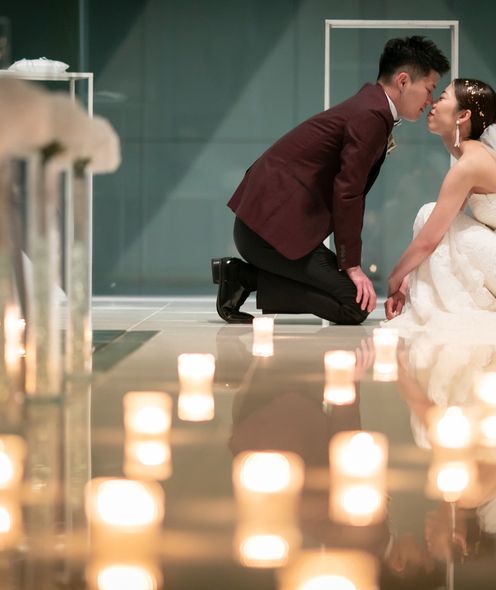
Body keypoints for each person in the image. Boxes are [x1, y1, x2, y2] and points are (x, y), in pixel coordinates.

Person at [211, 36, 449, 324]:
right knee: (354, 305)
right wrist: (352, 265)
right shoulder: (372, 115)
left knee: (354, 303)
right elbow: (348, 191)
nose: (430, 100)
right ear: (403, 81)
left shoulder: (372, 107)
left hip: (270, 223)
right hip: (267, 229)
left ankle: (242, 277)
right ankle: (241, 276)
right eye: (429, 89)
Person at [385, 79, 496, 333]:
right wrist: (408, 280)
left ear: (463, 115)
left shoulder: (470, 164)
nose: (432, 104)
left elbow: (429, 239)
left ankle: (443, 310)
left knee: (428, 213)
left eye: (443, 97)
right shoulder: (475, 157)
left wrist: (394, 279)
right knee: (437, 218)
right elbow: (443, 230)